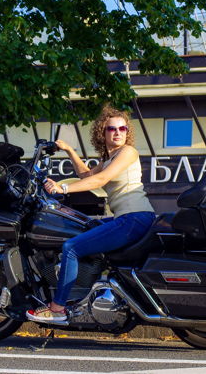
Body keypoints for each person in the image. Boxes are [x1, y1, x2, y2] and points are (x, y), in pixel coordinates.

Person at [26, 105, 155, 322]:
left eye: (122, 128)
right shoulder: (109, 158)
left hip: (133, 218)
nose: (118, 132)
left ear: (127, 132)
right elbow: (86, 175)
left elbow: (100, 180)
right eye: (112, 128)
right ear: (102, 132)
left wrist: (62, 188)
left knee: (71, 247)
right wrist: (69, 150)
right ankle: (92, 289)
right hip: (128, 218)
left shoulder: (127, 152)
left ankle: (57, 308)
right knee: (85, 226)